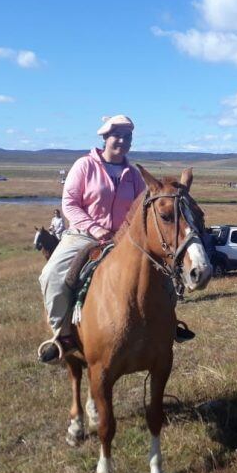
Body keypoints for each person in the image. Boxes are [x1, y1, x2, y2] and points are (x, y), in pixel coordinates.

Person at [37, 115, 193, 364]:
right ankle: (62, 336)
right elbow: (70, 204)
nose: (122, 141)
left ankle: (168, 325)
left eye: (127, 137)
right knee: (52, 275)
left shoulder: (133, 173)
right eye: (117, 136)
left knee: (164, 276)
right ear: (105, 138)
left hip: (123, 238)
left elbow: (141, 209)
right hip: (83, 235)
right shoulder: (84, 165)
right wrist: (95, 229)